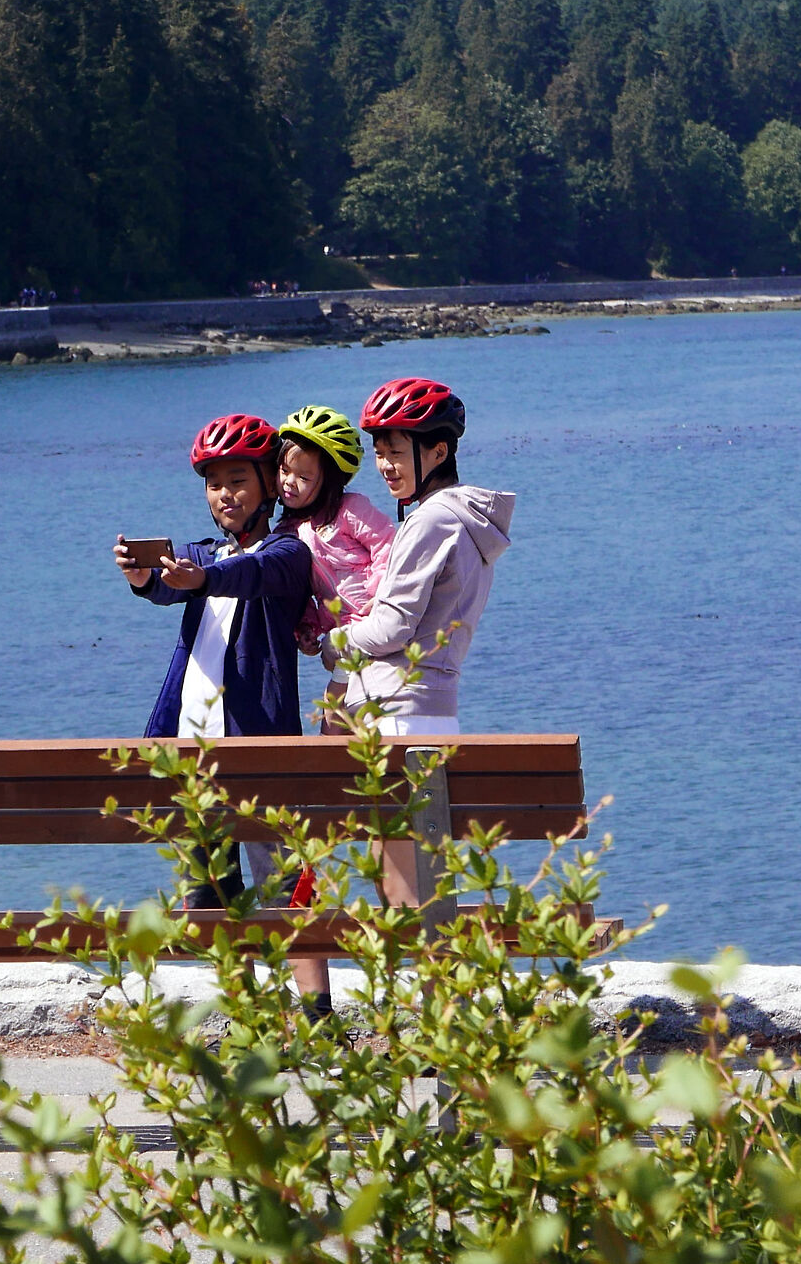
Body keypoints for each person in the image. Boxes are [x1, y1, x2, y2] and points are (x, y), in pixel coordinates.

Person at [114, 413, 311, 906]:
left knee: (287, 893)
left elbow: (251, 573)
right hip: (192, 748)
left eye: (237, 480)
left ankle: (312, 989)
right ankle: (237, 986)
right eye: (213, 484)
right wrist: (143, 578)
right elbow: (167, 582)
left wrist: (202, 581)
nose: (224, 493)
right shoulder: (202, 555)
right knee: (208, 896)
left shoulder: (289, 553)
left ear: (269, 483)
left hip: (261, 748)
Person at [333, 377, 515, 737]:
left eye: (396, 453)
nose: (385, 465)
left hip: (395, 715)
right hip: (435, 710)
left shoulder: (430, 520)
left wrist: (337, 641)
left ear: (440, 452)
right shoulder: (468, 521)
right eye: (379, 453)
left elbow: (392, 628)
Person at [273, 405, 397, 724]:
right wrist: (307, 628)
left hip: (372, 622)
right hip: (343, 635)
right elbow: (305, 592)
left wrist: (379, 593)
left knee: (344, 714)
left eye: (303, 477)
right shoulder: (287, 533)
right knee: (334, 721)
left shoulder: (349, 510)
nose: (289, 482)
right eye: (285, 471)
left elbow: (387, 544)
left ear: (329, 481)